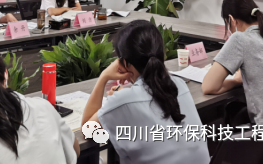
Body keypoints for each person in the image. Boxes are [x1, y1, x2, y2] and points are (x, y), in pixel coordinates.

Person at [81, 21, 209, 163]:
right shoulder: (179, 84)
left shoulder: (122, 100)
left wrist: (103, 77)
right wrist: (124, 96)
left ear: (124, 63)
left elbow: (87, 130)